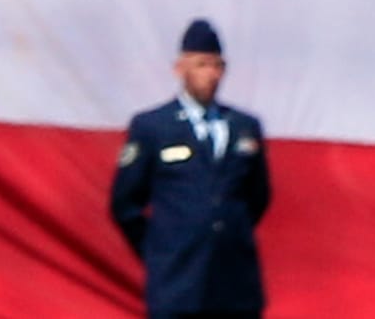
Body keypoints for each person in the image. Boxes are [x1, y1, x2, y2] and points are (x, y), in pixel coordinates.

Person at [109, 20, 270, 319]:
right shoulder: (153, 127)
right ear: (180, 68)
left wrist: (227, 231)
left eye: (217, 66)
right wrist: (161, 249)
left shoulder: (243, 127)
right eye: (201, 64)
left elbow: (257, 197)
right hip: (178, 283)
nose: (210, 74)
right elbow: (125, 204)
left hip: (234, 284)